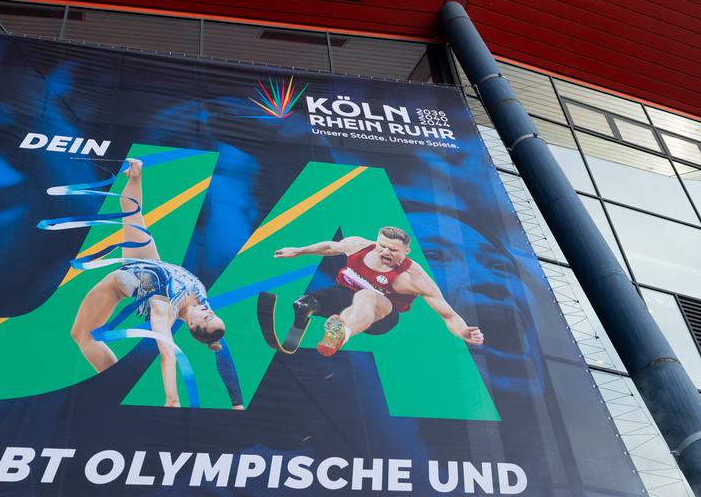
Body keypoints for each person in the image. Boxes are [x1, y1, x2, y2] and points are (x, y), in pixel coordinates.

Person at [70, 159, 242, 407]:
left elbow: (168, 355)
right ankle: (135, 175)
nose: (208, 310)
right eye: (212, 313)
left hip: (120, 283)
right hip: (148, 260)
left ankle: (114, 382)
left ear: (191, 324)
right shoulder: (201, 303)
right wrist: (237, 402)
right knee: (131, 211)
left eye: (206, 317)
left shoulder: (164, 310)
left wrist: (172, 397)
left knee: (82, 334)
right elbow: (219, 346)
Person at [273, 225, 485, 356]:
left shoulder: (413, 277)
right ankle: (306, 321)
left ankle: (342, 334)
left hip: (381, 317)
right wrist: (298, 251)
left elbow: (447, 314)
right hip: (345, 297)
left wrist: (464, 332)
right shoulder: (358, 245)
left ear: (406, 251)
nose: (384, 252)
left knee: (366, 295)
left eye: (392, 250)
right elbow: (330, 247)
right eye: (381, 246)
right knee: (304, 303)